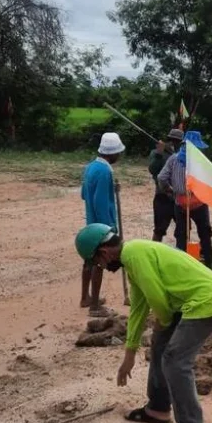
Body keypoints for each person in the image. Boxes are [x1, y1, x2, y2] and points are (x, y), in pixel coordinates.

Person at [73, 223, 212, 423]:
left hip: (206, 300)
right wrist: (129, 353)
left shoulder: (135, 254)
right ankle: (158, 409)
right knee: (160, 346)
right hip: (188, 301)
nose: (101, 266)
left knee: (175, 361)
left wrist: (164, 322)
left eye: (97, 262)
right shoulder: (133, 258)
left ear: (104, 253)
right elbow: (139, 308)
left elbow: (157, 298)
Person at [80, 132, 125, 317]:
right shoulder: (105, 171)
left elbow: (85, 194)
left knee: (89, 261)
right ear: (111, 153)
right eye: (118, 153)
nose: (119, 156)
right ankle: (95, 307)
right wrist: (107, 230)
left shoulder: (91, 167)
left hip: (91, 223)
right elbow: (100, 202)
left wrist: (111, 189)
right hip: (101, 226)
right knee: (99, 263)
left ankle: (86, 297)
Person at [157, 131, 212, 269]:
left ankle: (182, 266)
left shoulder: (173, 159)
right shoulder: (200, 161)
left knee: (181, 235)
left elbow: (161, 178)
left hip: (180, 203)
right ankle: (209, 264)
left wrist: (170, 190)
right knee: (205, 234)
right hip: (199, 203)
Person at [149, 129, 184, 242]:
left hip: (179, 198)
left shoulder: (183, 155)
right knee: (159, 230)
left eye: (177, 141)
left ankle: (182, 252)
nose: (173, 143)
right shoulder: (157, 153)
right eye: (171, 140)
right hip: (162, 196)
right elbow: (153, 170)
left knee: (183, 229)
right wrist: (159, 154)